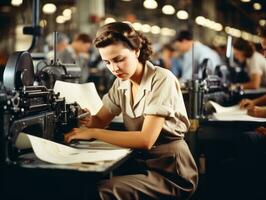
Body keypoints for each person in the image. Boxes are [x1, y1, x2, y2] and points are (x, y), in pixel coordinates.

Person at [64, 22, 198, 199]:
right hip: (141, 164)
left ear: (136, 50)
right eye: (107, 62)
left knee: (102, 191)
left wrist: (92, 132)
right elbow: (99, 121)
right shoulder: (121, 83)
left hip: (171, 172)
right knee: (82, 183)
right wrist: (82, 117)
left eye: (119, 59)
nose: (114, 68)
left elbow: (146, 140)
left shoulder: (161, 79)